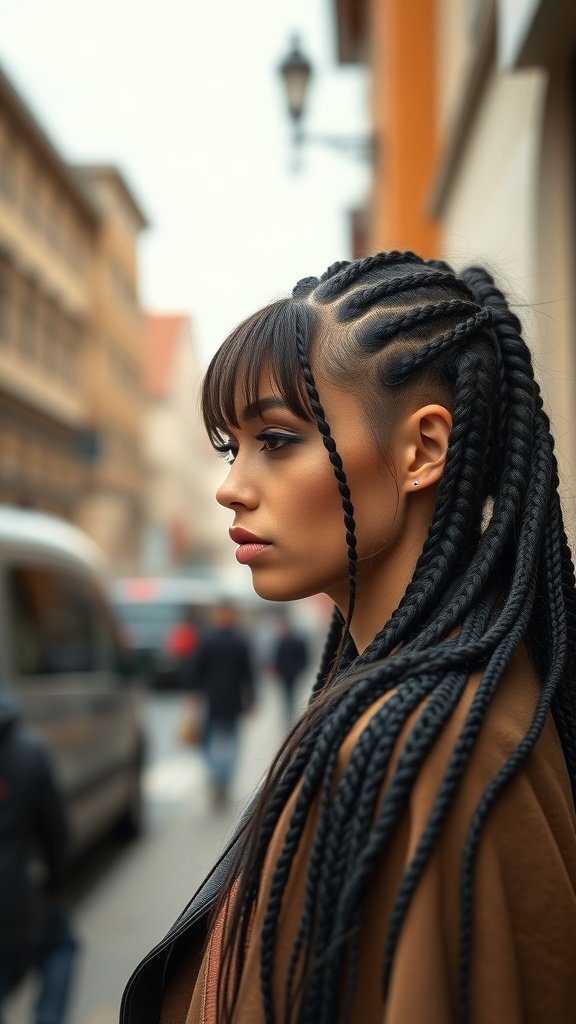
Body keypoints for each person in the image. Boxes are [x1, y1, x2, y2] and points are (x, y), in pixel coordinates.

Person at [121, 251, 576, 1024]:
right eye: (232, 447)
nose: (230, 487)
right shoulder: (460, 690)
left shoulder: (423, 746)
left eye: (277, 439)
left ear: (422, 450)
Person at [0, 689, 78, 1024]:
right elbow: (55, 832)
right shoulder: (28, 751)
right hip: (16, 898)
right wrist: (55, 885)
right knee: (62, 944)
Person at [185, 602, 255, 806]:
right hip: (233, 699)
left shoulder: (207, 640)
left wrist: (192, 694)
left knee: (208, 741)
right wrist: (251, 698)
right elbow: (248, 673)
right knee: (232, 741)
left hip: (212, 699)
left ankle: (216, 775)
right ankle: (224, 778)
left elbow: (196, 670)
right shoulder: (239, 641)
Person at [271, 615, 310, 725]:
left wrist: (298, 670)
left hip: (293, 674)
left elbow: (304, 658)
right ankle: (288, 717)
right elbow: (277, 658)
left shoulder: (296, 641)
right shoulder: (280, 641)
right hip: (283, 674)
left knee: (291, 696)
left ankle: (291, 717)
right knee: (286, 697)